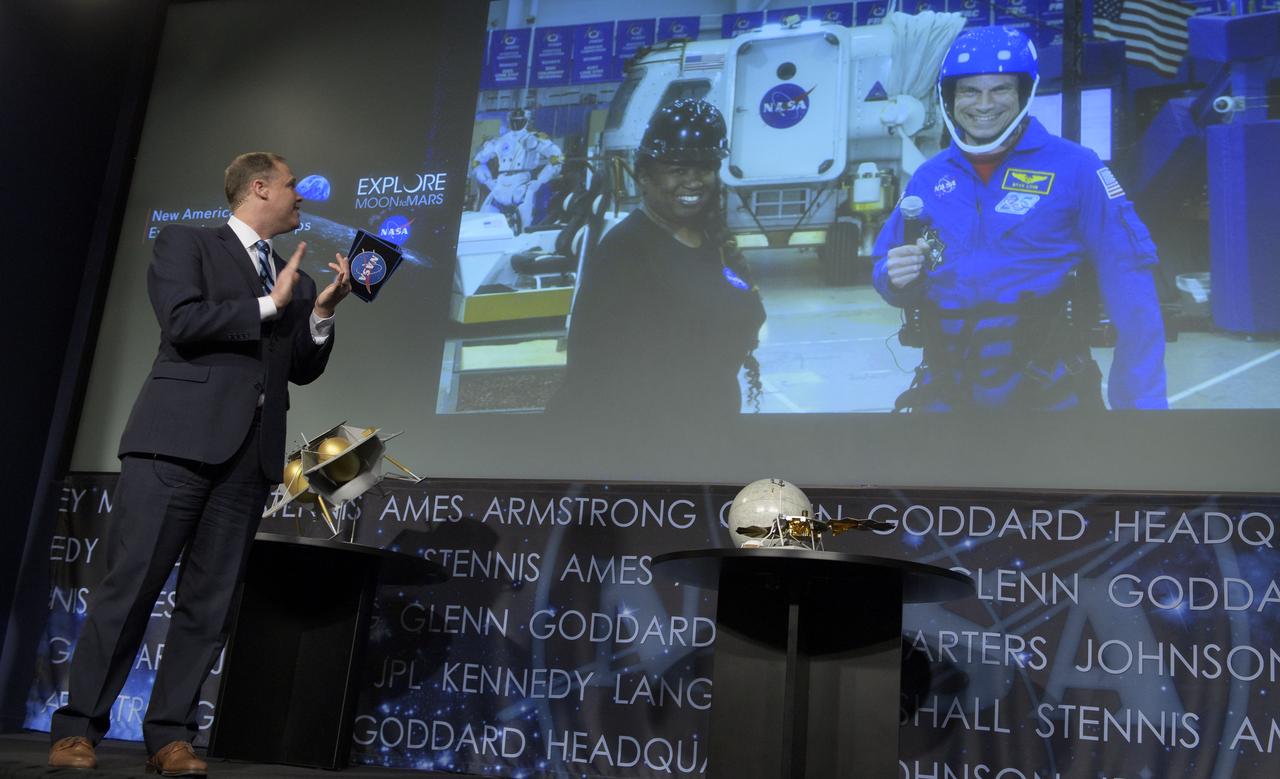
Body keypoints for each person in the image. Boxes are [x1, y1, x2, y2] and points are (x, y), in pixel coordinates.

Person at [48, 152, 352, 775]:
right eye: (294, 186)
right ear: (260, 187)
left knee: (207, 606)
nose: (303, 198)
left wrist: (320, 313)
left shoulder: (284, 269)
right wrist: (269, 305)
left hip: (248, 458)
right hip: (174, 448)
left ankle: (170, 736)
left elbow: (298, 367)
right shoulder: (185, 241)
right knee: (129, 591)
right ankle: (77, 730)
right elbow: (183, 323)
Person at [871, 26, 1167, 411]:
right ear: (949, 96)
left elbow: (1133, 291)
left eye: (1000, 90)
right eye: (970, 91)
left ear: (1024, 93)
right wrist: (894, 278)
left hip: (1049, 397)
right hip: (946, 395)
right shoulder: (929, 178)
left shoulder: (1076, 168)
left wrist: (1141, 410)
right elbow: (889, 268)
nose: (983, 104)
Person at [546, 98, 766, 427]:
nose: (693, 181)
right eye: (677, 170)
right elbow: (597, 370)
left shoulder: (711, 241)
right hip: (645, 440)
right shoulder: (625, 251)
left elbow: (744, 315)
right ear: (644, 176)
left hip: (706, 429)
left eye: (704, 168)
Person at [472, 107, 564, 233]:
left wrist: (540, 181)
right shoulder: (499, 140)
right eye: (514, 119)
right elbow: (477, 162)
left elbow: (557, 157)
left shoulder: (535, 139)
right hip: (499, 185)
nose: (516, 122)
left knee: (523, 228)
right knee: (484, 221)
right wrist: (488, 181)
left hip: (522, 185)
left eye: (520, 119)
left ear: (527, 120)